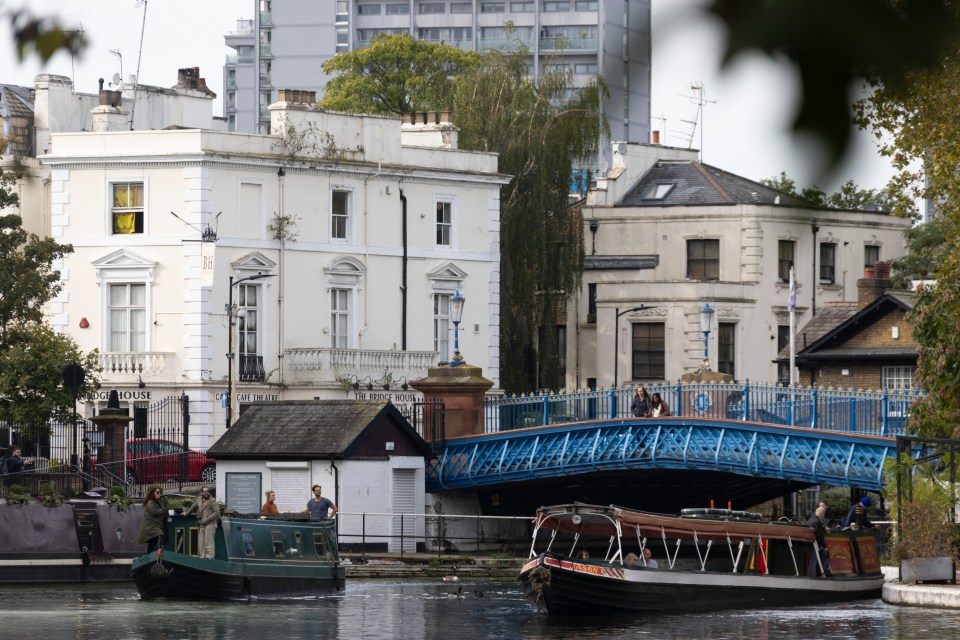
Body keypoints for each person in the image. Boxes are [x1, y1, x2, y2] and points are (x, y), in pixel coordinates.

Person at [184, 486, 221, 559]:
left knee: (209, 542)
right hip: (202, 524)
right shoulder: (199, 499)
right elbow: (193, 506)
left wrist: (207, 519)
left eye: (207, 491)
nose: (206, 493)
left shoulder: (213, 501)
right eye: (204, 491)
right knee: (201, 542)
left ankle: (210, 557)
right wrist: (187, 513)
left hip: (210, 524)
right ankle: (202, 557)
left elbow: (217, 513)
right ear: (201, 493)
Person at [137, 485, 166, 552]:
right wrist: (163, 510)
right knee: (160, 535)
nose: (160, 494)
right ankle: (159, 552)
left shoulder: (156, 502)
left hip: (153, 525)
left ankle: (149, 555)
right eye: (158, 492)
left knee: (153, 541)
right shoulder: (150, 502)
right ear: (153, 493)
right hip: (149, 526)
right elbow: (154, 512)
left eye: (160, 492)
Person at [807, 505, 831, 576]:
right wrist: (824, 546)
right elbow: (819, 536)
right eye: (823, 514)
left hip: (811, 543)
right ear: (821, 514)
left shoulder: (811, 519)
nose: (824, 516)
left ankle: (814, 575)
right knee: (814, 562)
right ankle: (820, 574)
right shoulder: (817, 522)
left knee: (813, 562)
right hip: (815, 544)